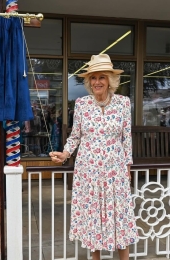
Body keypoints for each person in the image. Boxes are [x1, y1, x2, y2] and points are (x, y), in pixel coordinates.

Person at [49, 54, 138, 260]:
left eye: (102, 77)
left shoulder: (123, 104)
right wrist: (65, 153)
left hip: (115, 172)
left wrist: (128, 168)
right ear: (89, 82)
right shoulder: (81, 104)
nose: (97, 82)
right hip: (88, 172)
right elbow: (75, 136)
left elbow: (127, 139)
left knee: (119, 218)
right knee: (93, 218)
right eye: (93, 78)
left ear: (110, 81)